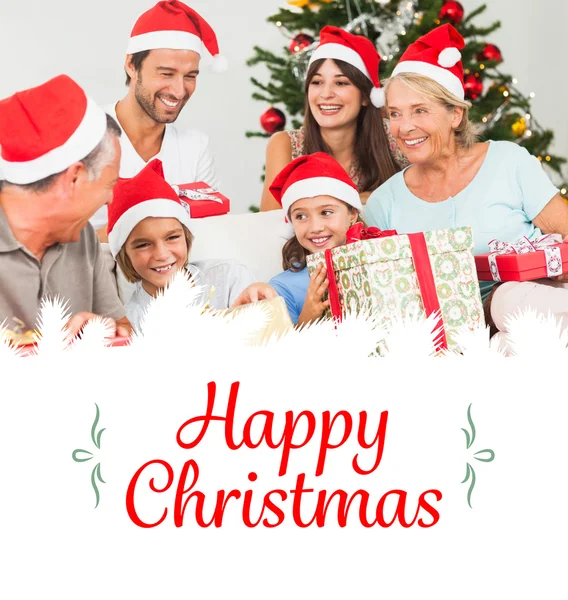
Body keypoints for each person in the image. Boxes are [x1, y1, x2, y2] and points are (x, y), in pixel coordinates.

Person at [365, 24, 568, 336]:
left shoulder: (508, 162)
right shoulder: (383, 203)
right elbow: (385, 297)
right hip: (452, 339)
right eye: (395, 114)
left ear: (455, 115)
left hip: (530, 307)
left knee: (513, 313)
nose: (404, 127)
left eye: (420, 111)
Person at [0, 75, 131, 339]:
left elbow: (125, 330)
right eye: (110, 184)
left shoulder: (81, 237)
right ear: (74, 178)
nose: (110, 199)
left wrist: (105, 332)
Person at [92, 0, 225, 236]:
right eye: (166, 73)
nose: (179, 90)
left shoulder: (196, 146)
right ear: (132, 65)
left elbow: (207, 234)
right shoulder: (86, 134)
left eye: (190, 76)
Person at [108, 158, 275, 333]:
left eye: (172, 237)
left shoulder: (230, 278)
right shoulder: (131, 322)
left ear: (186, 238)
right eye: (143, 245)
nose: (162, 254)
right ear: (124, 253)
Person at [261, 25, 405, 212]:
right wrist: (352, 200)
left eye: (340, 83)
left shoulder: (394, 135)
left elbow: (428, 195)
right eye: (317, 82)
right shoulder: (285, 145)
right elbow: (268, 224)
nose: (326, 94)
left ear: (364, 96)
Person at [268, 152, 364, 326]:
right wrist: (308, 316)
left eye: (326, 212)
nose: (315, 227)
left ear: (352, 214)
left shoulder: (377, 262)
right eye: (301, 216)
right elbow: (282, 350)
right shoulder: (281, 288)